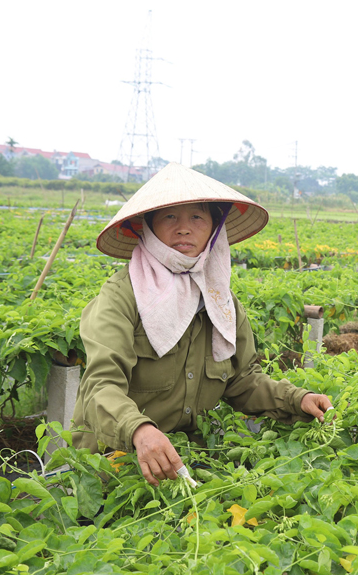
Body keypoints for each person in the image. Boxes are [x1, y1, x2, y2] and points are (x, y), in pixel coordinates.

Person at [72, 163, 333, 485]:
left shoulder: (220, 300)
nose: (184, 228)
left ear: (214, 228)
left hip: (187, 460)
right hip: (115, 461)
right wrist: (139, 430)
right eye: (170, 217)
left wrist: (297, 399)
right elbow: (101, 386)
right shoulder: (122, 296)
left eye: (197, 217)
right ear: (147, 227)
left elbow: (243, 381)